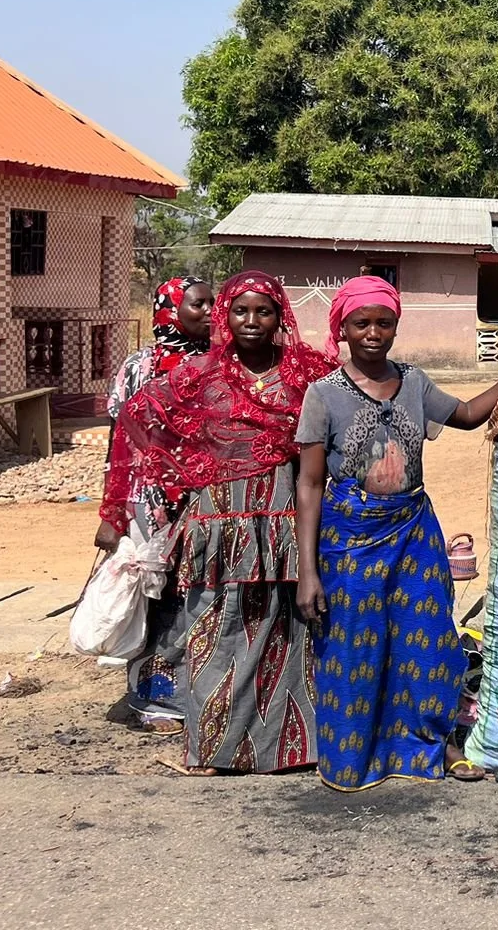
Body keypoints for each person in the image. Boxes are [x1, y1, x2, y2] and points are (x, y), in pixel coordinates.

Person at [292, 276, 498, 790]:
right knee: (355, 647)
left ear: (396, 326)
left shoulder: (414, 382)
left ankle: (428, 749)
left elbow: (464, 415)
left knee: (428, 643)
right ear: (342, 330)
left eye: (384, 322)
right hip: (350, 540)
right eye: (361, 323)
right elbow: (308, 485)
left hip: (412, 531)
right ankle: (354, 760)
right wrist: (308, 571)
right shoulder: (323, 395)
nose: (373, 332)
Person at [96, 271, 337, 775]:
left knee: (286, 631)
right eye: (240, 311)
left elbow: (350, 404)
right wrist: (183, 474)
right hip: (219, 521)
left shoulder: (307, 373)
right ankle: (212, 750)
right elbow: (137, 420)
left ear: (280, 317)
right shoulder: (199, 375)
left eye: (264, 311)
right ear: (225, 316)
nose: (252, 321)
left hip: (283, 514)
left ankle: (291, 749)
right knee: (216, 630)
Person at [103, 276, 214, 733]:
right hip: (151, 501)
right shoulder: (138, 367)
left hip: (205, 495)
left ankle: (195, 689)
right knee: (153, 593)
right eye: (198, 303)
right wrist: (110, 514)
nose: (209, 311)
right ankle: (150, 697)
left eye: (213, 302)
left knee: (197, 591)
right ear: (171, 309)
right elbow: (119, 441)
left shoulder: (218, 364)